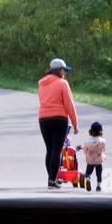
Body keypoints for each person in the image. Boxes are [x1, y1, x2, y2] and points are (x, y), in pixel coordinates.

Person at [38, 58, 78, 188]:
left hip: (43, 119)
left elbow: (42, 100)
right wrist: (75, 124)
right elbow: (69, 105)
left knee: (49, 150)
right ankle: (52, 180)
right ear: (59, 70)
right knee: (57, 150)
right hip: (59, 119)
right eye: (64, 70)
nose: (65, 73)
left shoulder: (41, 84)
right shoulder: (63, 83)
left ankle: (51, 179)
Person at [78, 121, 107, 191]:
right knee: (99, 174)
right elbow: (104, 149)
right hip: (98, 160)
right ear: (100, 132)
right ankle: (98, 186)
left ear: (91, 131)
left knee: (88, 173)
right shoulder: (102, 141)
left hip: (90, 160)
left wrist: (87, 153)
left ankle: (88, 179)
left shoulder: (87, 141)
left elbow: (85, 150)